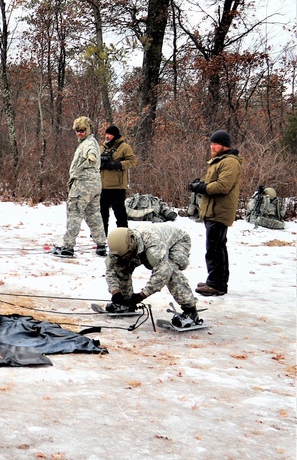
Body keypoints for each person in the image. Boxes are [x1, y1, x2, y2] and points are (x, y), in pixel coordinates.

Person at [104, 225, 201, 327]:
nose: (126, 257)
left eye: (127, 255)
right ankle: (126, 301)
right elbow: (112, 270)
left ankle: (191, 311)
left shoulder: (153, 245)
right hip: (145, 248)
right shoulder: (119, 246)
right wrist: (116, 292)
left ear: (131, 245)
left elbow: (162, 273)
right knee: (122, 265)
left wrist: (142, 295)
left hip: (178, 241)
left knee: (170, 269)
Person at [189, 129, 242, 296]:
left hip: (220, 210)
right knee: (216, 247)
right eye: (211, 143)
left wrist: (202, 188)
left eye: (215, 143)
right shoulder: (218, 161)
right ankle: (216, 281)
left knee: (215, 249)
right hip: (213, 209)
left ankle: (216, 284)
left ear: (224, 146)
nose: (212, 146)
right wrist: (200, 184)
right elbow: (213, 182)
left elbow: (222, 186)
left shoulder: (230, 162)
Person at [52, 116, 107, 257]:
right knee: (94, 215)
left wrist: (84, 165)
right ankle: (101, 245)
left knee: (74, 214)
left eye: (82, 130)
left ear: (88, 129)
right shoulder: (90, 142)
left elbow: (92, 156)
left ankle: (68, 247)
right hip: (94, 185)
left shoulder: (88, 144)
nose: (79, 133)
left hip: (82, 185)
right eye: (77, 131)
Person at [99, 124, 138, 236]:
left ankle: (123, 236)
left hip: (117, 187)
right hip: (103, 186)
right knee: (102, 213)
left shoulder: (124, 147)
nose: (107, 136)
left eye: (110, 134)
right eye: (106, 134)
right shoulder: (102, 147)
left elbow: (132, 161)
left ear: (115, 135)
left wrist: (117, 165)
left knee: (119, 213)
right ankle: (102, 236)